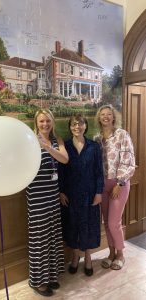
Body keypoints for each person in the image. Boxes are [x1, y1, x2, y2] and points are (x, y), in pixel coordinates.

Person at [26, 109, 69, 297]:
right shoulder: (29, 140)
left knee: (52, 236)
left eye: (48, 121)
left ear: (52, 122)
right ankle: (37, 281)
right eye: (42, 121)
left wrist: (49, 148)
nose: (45, 124)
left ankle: (51, 276)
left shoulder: (57, 140)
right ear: (36, 122)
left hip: (52, 195)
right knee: (39, 239)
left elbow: (65, 159)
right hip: (36, 196)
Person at [58, 114, 104, 277]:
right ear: (70, 127)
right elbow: (61, 171)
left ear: (86, 126)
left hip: (90, 194)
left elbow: (99, 172)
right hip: (70, 194)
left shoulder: (94, 146)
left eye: (81, 124)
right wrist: (61, 191)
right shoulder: (65, 146)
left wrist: (99, 192)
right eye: (74, 124)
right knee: (72, 225)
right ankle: (75, 256)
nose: (77, 127)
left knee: (89, 226)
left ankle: (88, 256)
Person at [94, 104, 135, 270]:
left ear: (113, 117)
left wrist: (120, 182)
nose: (105, 117)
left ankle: (120, 254)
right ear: (99, 118)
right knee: (106, 222)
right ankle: (110, 253)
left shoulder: (122, 135)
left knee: (113, 223)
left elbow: (129, 161)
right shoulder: (97, 139)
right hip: (102, 184)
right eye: (102, 114)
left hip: (119, 183)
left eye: (108, 114)